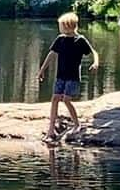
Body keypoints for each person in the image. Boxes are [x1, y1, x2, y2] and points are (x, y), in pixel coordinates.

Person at [38, 11, 99, 142]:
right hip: (60, 75)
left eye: (61, 25)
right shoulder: (60, 39)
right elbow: (51, 55)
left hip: (72, 77)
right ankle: (50, 130)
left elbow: (93, 52)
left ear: (68, 26)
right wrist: (42, 70)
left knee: (66, 99)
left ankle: (77, 123)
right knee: (55, 98)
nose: (60, 28)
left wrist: (95, 62)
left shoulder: (80, 40)